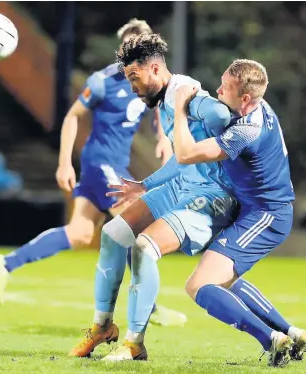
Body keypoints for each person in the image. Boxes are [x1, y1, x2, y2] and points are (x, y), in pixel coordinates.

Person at [0, 19, 186, 327]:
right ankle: (149, 308)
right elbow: (72, 117)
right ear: (122, 49)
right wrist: (65, 162)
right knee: (136, 228)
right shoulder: (103, 81)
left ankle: (6, 263)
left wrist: (162, 136)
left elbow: (157, 107)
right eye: (133, 46)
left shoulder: (146, 81)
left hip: (114, 166)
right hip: (100, 164)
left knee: (79, 233)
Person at [69, 33, 238, 360]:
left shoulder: (184, 93)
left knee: (144, 248)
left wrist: (230, 141)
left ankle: (134, 343)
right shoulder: (165, 99)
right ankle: (103, 325)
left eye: (134, 77)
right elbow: (182, 155)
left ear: (156, 69)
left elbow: (219, 116)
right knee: (114, 234)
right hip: (182, 186)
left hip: (210, 195)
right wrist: (145, 185)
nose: (132, 86)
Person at [168, 59, 305, 367]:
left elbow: (185, 154)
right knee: (225, 281)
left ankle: (271, 339)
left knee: (199, 286)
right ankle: (292, 333)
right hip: (259, 211)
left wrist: (179, 108)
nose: (218, 90)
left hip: (266, 216)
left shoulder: (246, 131)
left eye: (225, 87)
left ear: (244, 98)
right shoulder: (256, 105)